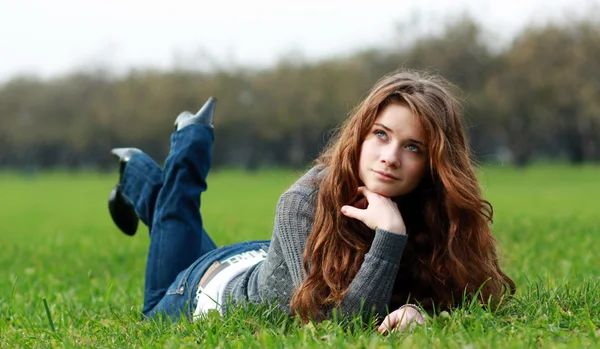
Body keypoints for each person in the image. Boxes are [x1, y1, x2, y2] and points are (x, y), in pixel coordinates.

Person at [108, 70, 515, 332]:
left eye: (413, 147)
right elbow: (333, 328)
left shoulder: (435, 208)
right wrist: (389, 236)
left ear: (434, 163)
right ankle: (190, 141)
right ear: (360, 133)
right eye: (381, 135)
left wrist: (421, 314)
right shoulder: (303, 200)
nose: (390, 157)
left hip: (271, 260)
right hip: (207, 291)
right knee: (155, 303)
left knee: (175, 223)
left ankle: (136, 174)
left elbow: (473, 300)